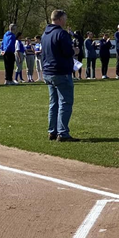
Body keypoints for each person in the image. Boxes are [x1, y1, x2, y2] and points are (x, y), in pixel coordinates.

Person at [42, 10, 77, 142]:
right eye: (64, 19)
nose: (65, 21)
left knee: (53, 103)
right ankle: (62, 133)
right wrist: (75, 50)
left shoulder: (45, 34)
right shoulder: (61, 33)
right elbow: (67, 52)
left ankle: (52, 131)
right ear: (60, 19)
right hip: (61, 72)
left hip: (48, 72)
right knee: (65, 102)